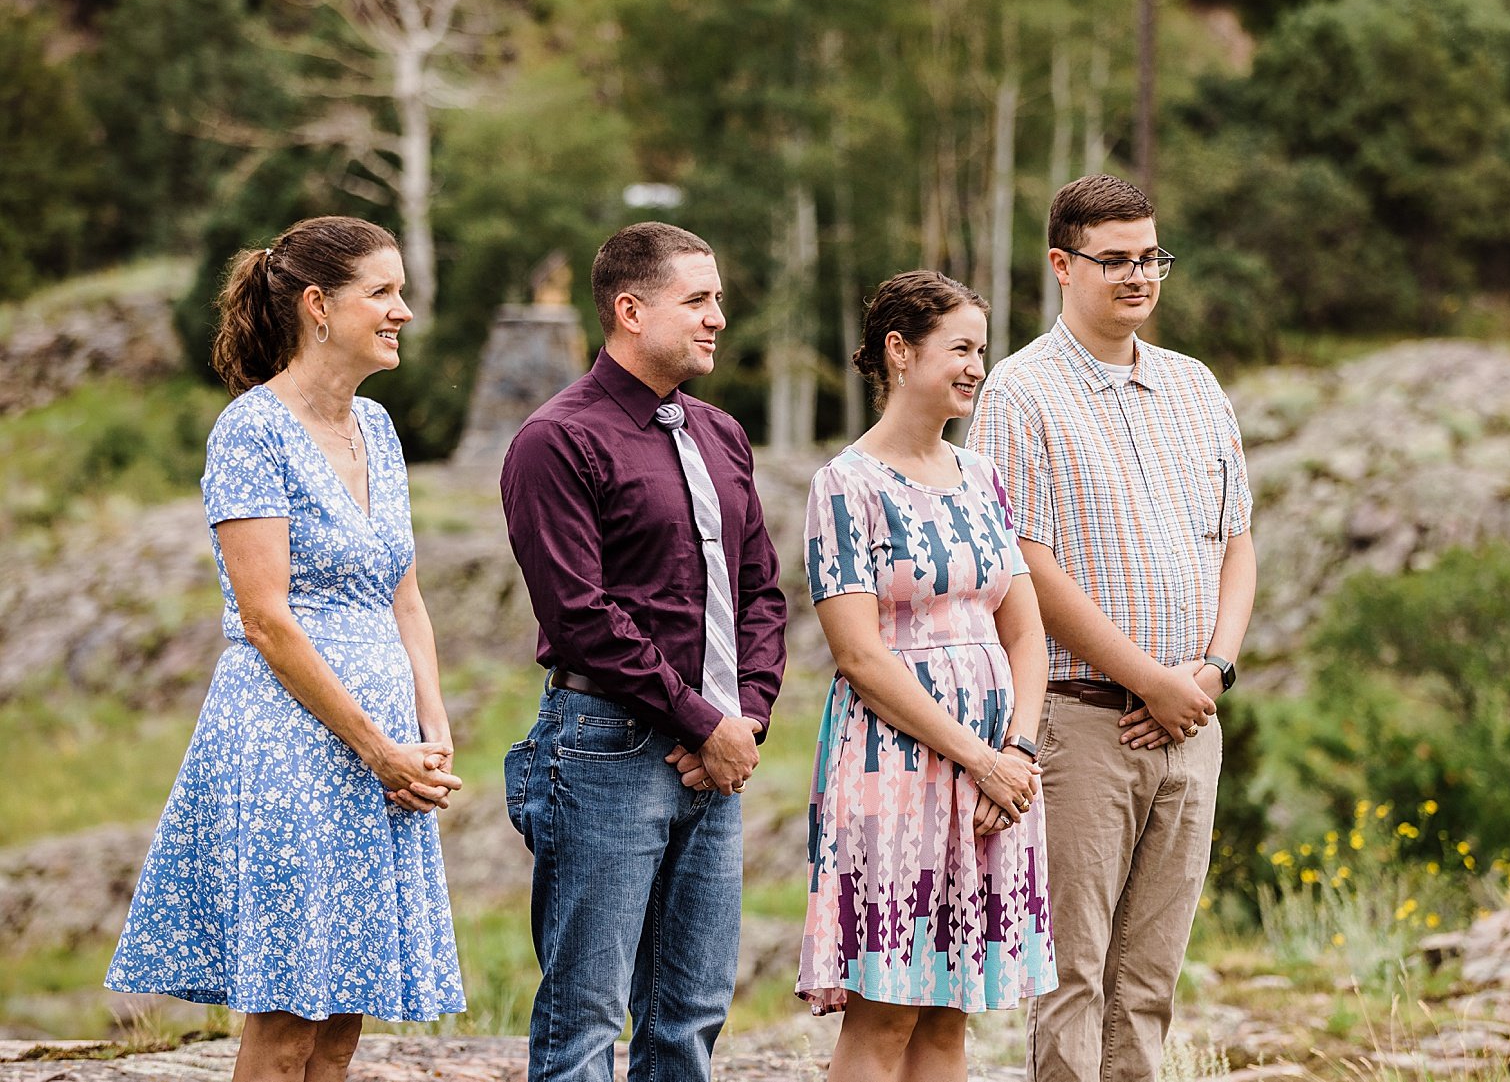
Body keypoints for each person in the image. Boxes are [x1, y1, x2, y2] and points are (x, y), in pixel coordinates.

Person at [106, 216, 465, 1082]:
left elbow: (405, 597)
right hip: (294, 745)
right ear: (317, 306)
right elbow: (267, 620)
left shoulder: (377, 427)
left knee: (343, 1019)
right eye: (382, 292)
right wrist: (378, 748)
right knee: (287, 1024)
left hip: (386, 749)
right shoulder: (250, 431)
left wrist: (431, 725)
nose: (403, 311)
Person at [966, 175, 1257, 1082]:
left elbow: (1238, 540)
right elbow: (1026, 564)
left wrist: (1209, 672)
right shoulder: (1019, 391)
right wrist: (1149, 678)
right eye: (1115, 259)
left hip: (1191, 721)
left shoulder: (1194, 384)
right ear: (1062, 264)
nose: (1139, 276)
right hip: (1083, 721)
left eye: (1150, 257)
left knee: (1152, 978)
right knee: (1075, 975)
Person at [499, 222, 787, 1082]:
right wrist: (704, 721)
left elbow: (761, 590)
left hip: (715, 757)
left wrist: (745, 721)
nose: (717, 319)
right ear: (630, 309)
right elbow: (581, 615)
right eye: (697, 300)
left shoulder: (721, 434)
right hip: (605, 747)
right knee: (584, 1013)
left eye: (718, 300)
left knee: (690, 1013)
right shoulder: (556, 441)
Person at [799, 270, 1057, 1082]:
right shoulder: (845, 484)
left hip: (995, 772)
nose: (979, 364)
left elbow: (1027, 631)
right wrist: (976, 757)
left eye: (983, 347)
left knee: (951, 1012)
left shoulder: (982, 477)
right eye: (961, 347)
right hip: (893, 767)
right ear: (899, 352)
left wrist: (1012, 752)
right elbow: (861, 657)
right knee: (888, 1010)